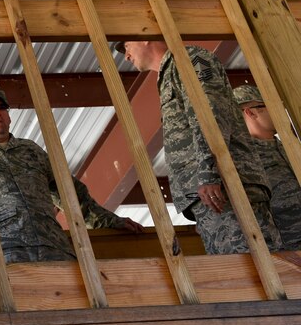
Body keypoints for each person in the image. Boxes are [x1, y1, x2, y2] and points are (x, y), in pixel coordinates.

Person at [0, 88, 143, 264]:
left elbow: (71, 193)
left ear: (9, 115)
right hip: (2, 253)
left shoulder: (32, 151)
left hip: (53, 248)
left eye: (2, 107)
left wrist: (109, 221)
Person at [118, 42, 281, 254]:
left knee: (252, 267)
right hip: (212, 198)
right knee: (234, 275)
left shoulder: (189, 59)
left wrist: (208, 173)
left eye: (126, 46)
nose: (126, 56)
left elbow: (210, 113)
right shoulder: (168, 73)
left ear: (144, 38)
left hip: (226, 188)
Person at [233, 85, 301, 249]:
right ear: (250, 112)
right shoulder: (244, 160)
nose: (280, 112)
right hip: (288, 250)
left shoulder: (291, 147)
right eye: (271, 107)